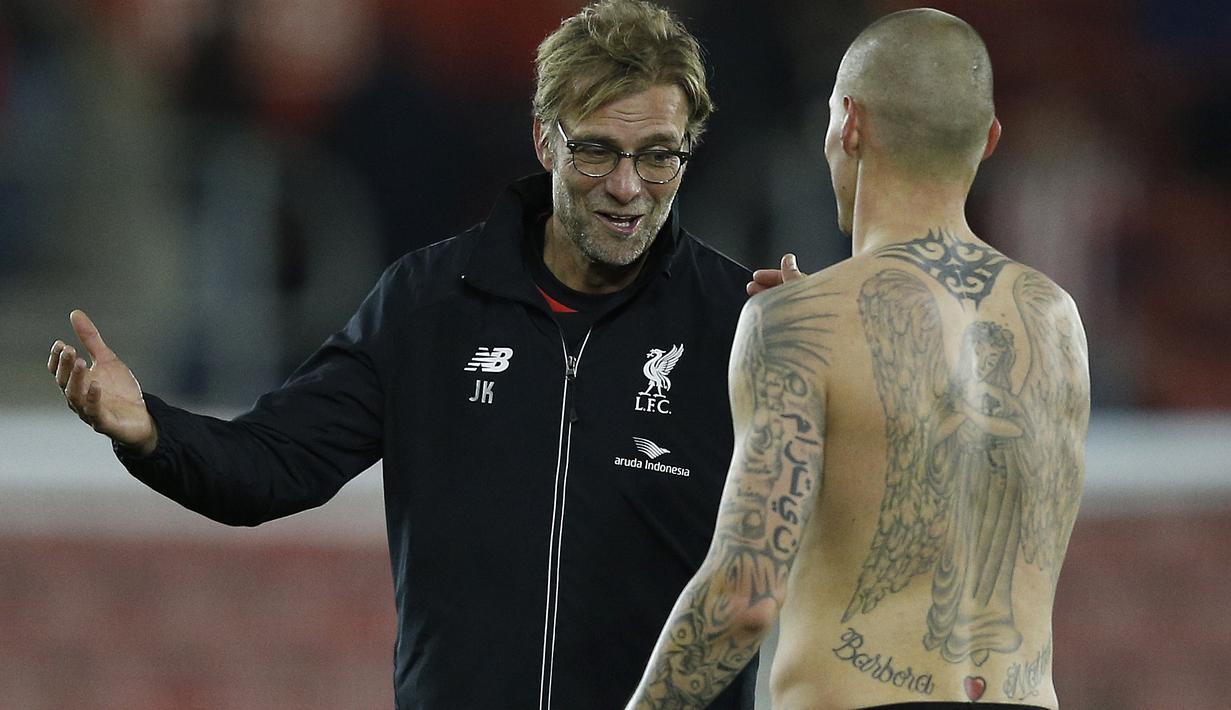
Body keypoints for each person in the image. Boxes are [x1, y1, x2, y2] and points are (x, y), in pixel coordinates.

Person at [46, 1, 760, 707]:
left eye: (659, 155)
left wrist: (841, 366)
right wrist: (149, 429)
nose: (628, 187)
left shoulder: (742, 326)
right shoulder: (428, 304)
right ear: (545, 140)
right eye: (597, 149)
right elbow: (274, 463)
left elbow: (844, 540)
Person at [627, 8, 1089, 710]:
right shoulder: (1057, 323)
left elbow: (744, 597)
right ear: (989, 139)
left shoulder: (801, 325)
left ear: (848, 123)